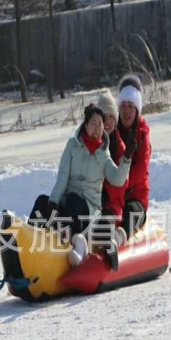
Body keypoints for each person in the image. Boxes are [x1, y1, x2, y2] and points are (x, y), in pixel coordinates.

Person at [29, 104, 132, 270]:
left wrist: (126, 160)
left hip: (89, 210)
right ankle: (28, 245)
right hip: (68, 202)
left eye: (100, 124)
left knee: (74, 202)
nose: (97, 128)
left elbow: (118, 179)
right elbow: (63, 176)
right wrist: (53, 202)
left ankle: (77, 247)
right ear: (85, 125)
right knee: (41, 202)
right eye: (93, 123)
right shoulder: (72, 145)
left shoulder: (104, 154)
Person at [116, 74, 151, 236]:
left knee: (130, 211)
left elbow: (141, 168)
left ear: (137, 109)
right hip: (114, 195)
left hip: (135, 196)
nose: (126, 111)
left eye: (131, 106)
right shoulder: (113, 131)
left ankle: (121, 237)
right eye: (123, 106)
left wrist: (121, 185)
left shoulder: (142, 134)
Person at [95, 89, 129, 247]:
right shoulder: (89, 144)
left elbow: (121, 185)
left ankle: (109, 247)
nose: (107, 121)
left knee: (104, 221)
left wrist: (103, 195)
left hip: (111, 206)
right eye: (103, 117)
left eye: (111, 117)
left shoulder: (120, 147)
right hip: (91, 204)